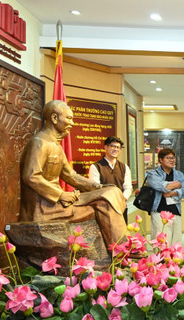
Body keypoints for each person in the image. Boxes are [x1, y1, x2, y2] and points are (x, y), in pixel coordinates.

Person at [19, 100, 127, 250]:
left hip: (58, 203)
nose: (72, 123)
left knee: (111, 191)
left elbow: (71, 176)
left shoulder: (55, 145)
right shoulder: (39, 142)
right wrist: (61, 194)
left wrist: (98, 186)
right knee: (104, 202)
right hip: (45, 207)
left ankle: (121, 250)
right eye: (69, 118)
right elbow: (31, 176)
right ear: (55, 118)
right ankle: (122, 251)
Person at [146, 148, 184, 245]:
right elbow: (160, 186)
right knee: (161, 244)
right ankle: (159, 261)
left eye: (173, 158)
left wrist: (171, 193)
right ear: (160, 160)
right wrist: (177, 185)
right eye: (168, 158)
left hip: (176, 212)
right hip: (159, 213)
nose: (172, 160)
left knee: (176, 244)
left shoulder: (179, 174)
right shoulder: (153, 174)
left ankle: (174, 261)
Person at [89, 136, 132, 223]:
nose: (115, 149)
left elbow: (128, 187)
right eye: (112, 146)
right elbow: (95, 189)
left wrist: (122, 199)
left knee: (122, 234)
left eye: (118, 147)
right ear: (105, 147)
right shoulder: (96, 167)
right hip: (103, 208)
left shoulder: (124, 167)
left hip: (121, 206)